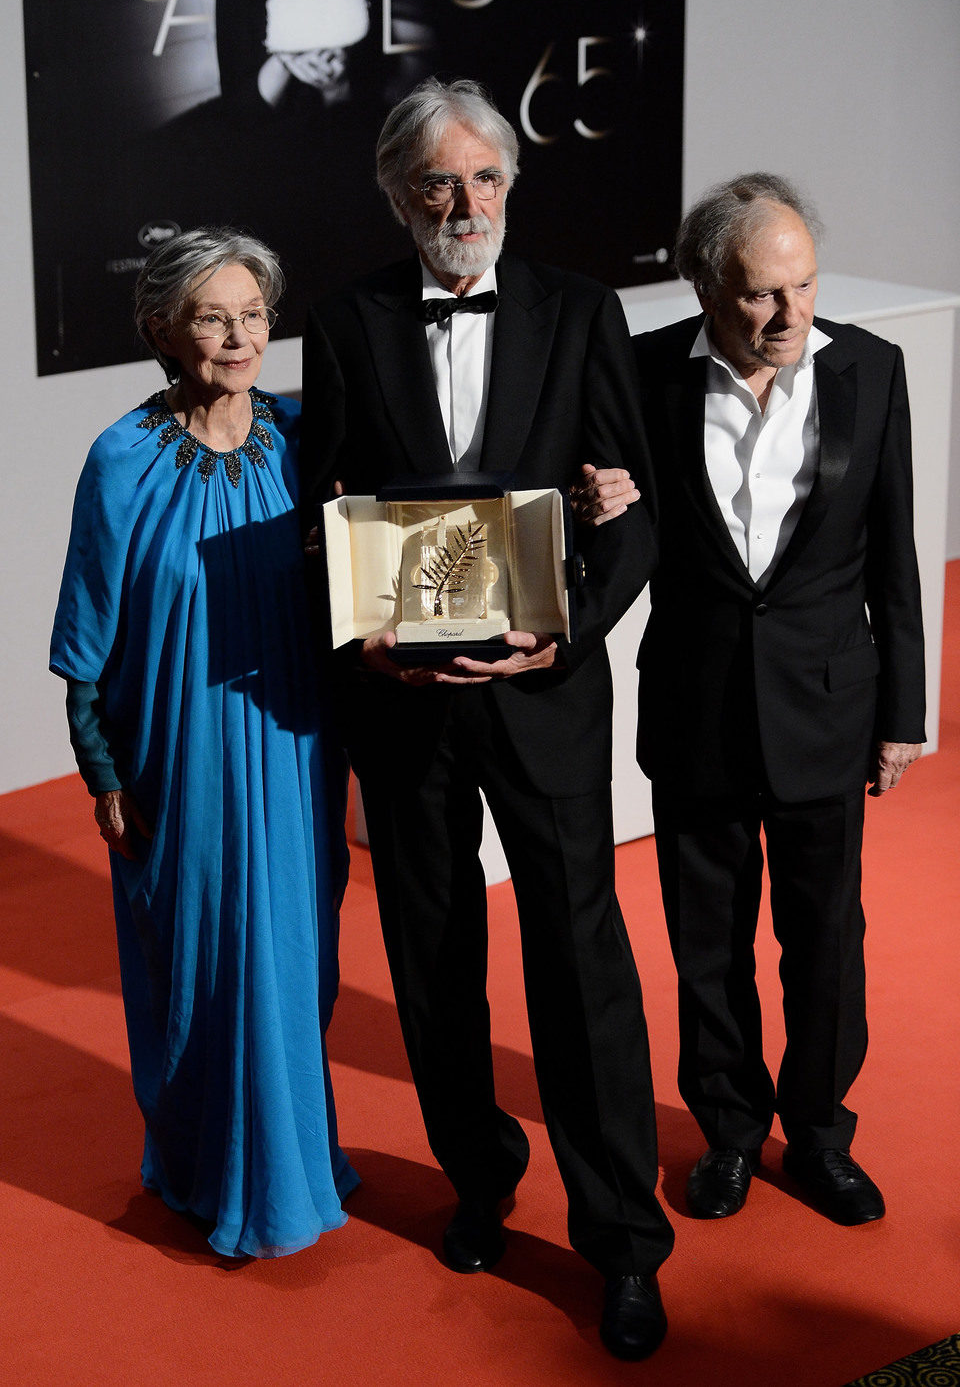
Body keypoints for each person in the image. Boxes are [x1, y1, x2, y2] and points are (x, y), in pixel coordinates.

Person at [300, 78, 674, 1360]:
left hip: (546, 695)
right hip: (405, 705)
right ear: (401, 196)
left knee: (581, 966)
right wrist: (368, 631)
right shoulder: (346, 320)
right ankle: (481, 1176)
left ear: (514, 185)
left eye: (487, 179)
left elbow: (634, 517)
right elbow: (326, 512)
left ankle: (623, 1236)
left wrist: (562, 629)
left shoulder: (581, 310)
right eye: (439, 183)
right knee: (432, 953)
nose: (466, 205)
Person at [584, 173, 925, 1226]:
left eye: (803, 287)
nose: (788, 316)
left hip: (828, 701)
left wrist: (906, 709)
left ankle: (820, 1133)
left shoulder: (870, 368)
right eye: (759, 295)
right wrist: (595, 508)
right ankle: (730, 1130)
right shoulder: (641, 374)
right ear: (702, 288)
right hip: (697, 705)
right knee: (708, 943)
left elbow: (895, 554)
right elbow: (618, 531)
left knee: (824, 938)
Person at [50, 227, 358, 1259]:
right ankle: (200, 1170)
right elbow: (85, 650)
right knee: (192, 968)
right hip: (177, 767)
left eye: (255, 313)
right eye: (213, 315)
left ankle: (292, 1166)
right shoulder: (121, 461)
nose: (240, 335)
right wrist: (101, 774)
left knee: (296, 962)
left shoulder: (312, 435)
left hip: (298, 752)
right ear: (162, 331)